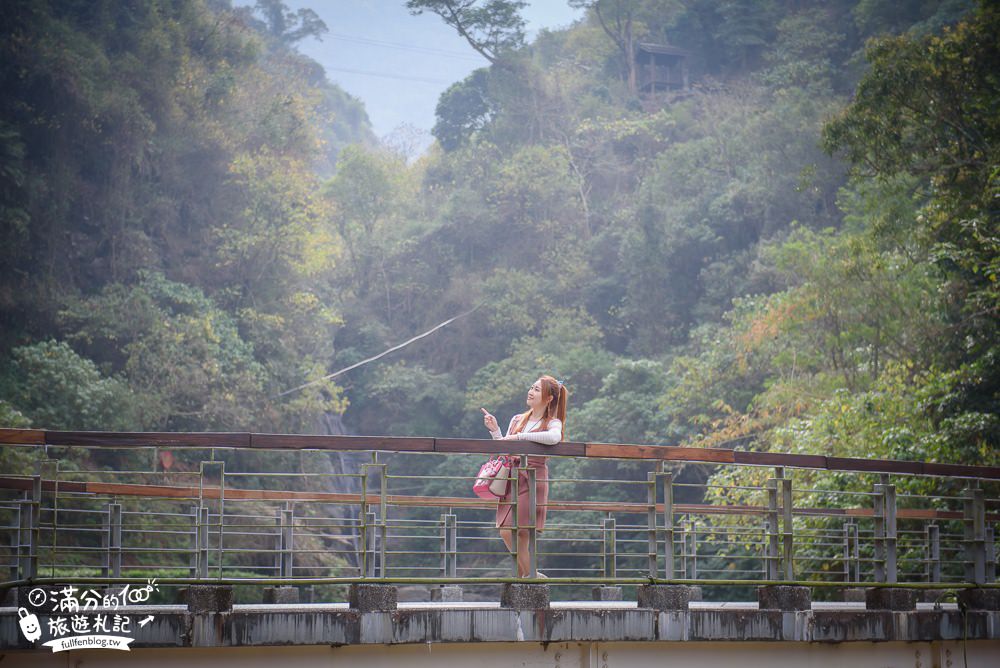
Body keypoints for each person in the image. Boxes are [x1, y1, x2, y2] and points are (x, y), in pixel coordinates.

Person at [481, 375, 568, 577]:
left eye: (537, 390)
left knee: (520, 531)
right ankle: (531, 577)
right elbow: (505, 446)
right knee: (507, 530)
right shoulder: (517, 419)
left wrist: (520, 437)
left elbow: (555, 438)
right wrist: (495, 431)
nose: (531, 391)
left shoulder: (552, 422)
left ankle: (529, 578)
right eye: (532, 387)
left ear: (549, 398)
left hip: (533, 477)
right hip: (512, 476)